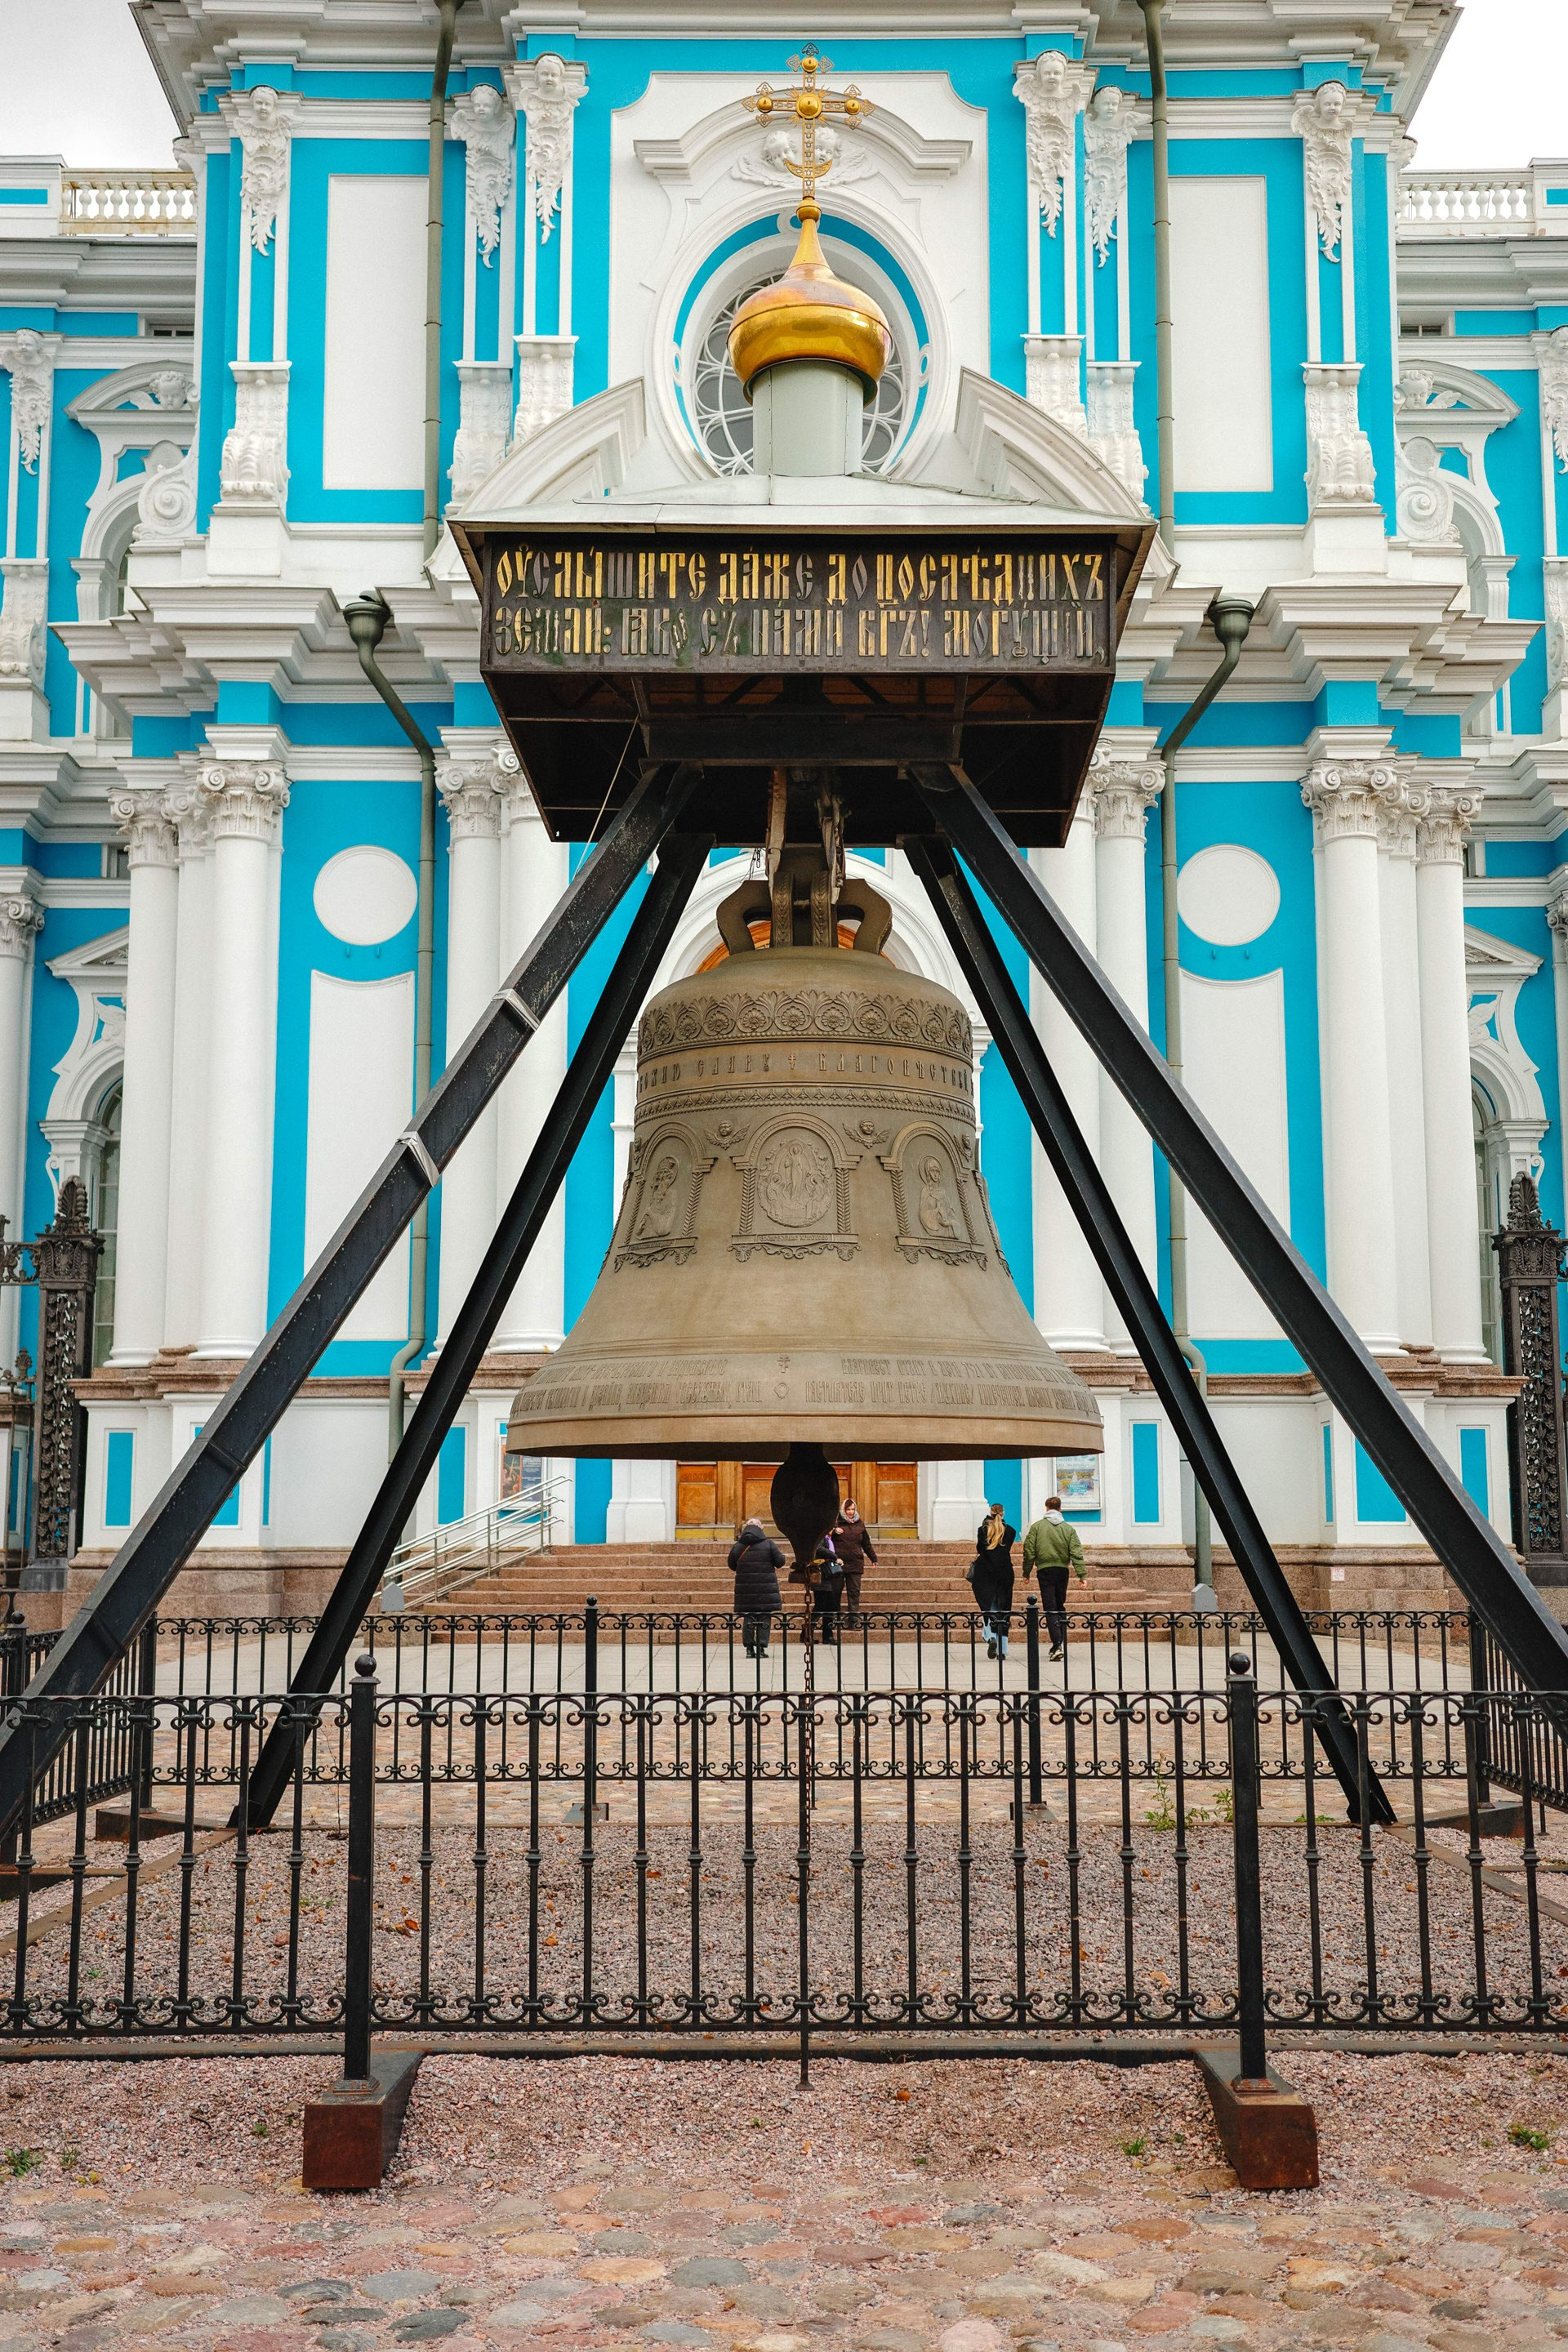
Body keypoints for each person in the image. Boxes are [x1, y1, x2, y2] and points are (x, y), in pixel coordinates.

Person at [1022, 1495, 1087, 1661]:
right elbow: (1076, 1553)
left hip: (1045, 1570)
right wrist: (1081, 1575)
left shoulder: (1037, 1527)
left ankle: (1057, 1644)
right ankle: (1059, 1642)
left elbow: (1029, 1551)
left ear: (1046, 1508)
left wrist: (1026, 1572)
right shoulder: (1068, 1529)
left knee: (1050, 1607)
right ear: (1060, 1508)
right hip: (1062, 1571)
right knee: (1060, 1605)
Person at [728, 1515, 784, 1659]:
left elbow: (732, 1565)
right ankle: (761, 1647)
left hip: (745, 1589)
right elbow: (780, 1562)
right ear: (760, 1529)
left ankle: (749, 1649)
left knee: (749, 1617)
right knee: (764, 1617)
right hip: (766, 1589)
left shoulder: (738, 1546)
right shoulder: (769, 1544)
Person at [969, 1501, 1017, 1661]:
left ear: (990, 1512)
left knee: (988, 1606)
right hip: (1005, 1572)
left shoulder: (983, 1530)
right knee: (1004, 1608)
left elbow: (979, 1549)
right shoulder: (1011, 1531)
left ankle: (990, 1636)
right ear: (1003, 1513)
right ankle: (1003, 1649)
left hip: (985, 1572)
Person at [832, 1499, 877, 1624]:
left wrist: (873, 1558)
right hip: (838, 1563)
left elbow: (866, 1544)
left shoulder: (860, 1524)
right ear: (843, 1510)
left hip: (855, 1563)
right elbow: (826, 1539)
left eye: (853, 1509)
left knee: (854, 1592)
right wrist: (834, 1532)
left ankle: (853, 1620)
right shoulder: (836, 1523)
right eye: (848, 1509)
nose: (851, 1512)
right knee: (836, 1592)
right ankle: (835, 1619)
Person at [810, 1530, 844, 1642]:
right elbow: (819, 1548)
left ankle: (828, 1635)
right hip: (822, 1576)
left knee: (829, 1606)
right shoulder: (820, 1536)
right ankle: (806, 1633)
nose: (833, 1529)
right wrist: (835, 1557)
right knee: (820, 1606)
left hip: (829, 1577)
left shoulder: (829, 1539)